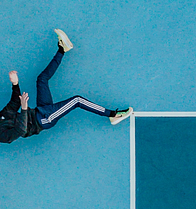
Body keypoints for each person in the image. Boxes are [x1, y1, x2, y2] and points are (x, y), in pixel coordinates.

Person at [0, 29, 133, 144]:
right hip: (44, 119)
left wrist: (15, 84)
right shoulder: (2, 136)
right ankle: (113, 115)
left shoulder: (2, 115)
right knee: (77, 101)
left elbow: (14, 103)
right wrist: (24, 108)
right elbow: (21, 130)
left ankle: (62, 48)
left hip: (40, 110)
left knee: (42, 79)